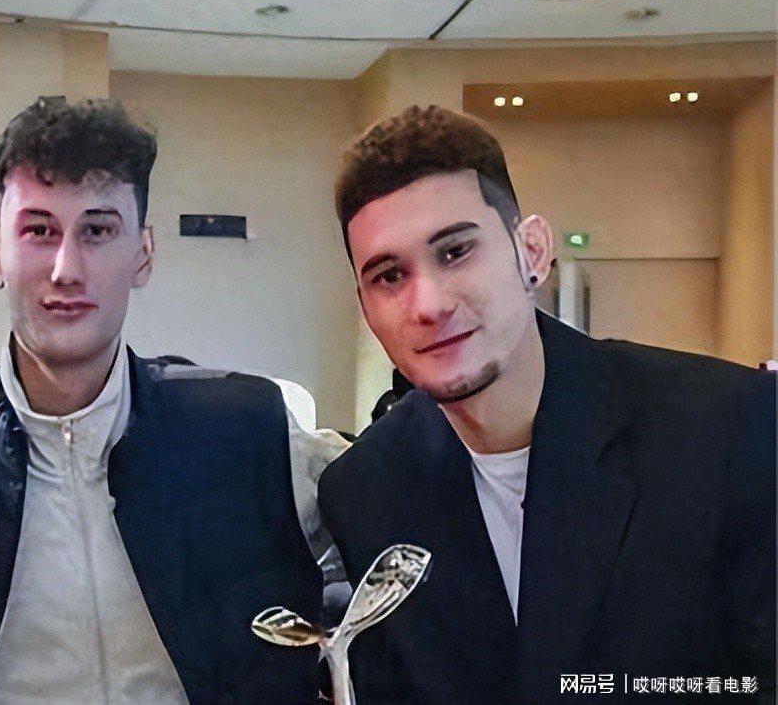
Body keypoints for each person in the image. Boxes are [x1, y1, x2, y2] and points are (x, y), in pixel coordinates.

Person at [0, 97, 349, 704]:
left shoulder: (252, 433)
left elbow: (394, 571)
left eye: (98, 230)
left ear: (143, 253)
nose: (66, 269)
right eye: (38, 230)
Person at [317, 105, 776, 702]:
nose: (427, 304)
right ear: (365, 309)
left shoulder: (723, 427)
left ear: (531, 251)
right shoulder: (365, 489)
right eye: (388, 276)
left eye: (455, 251)